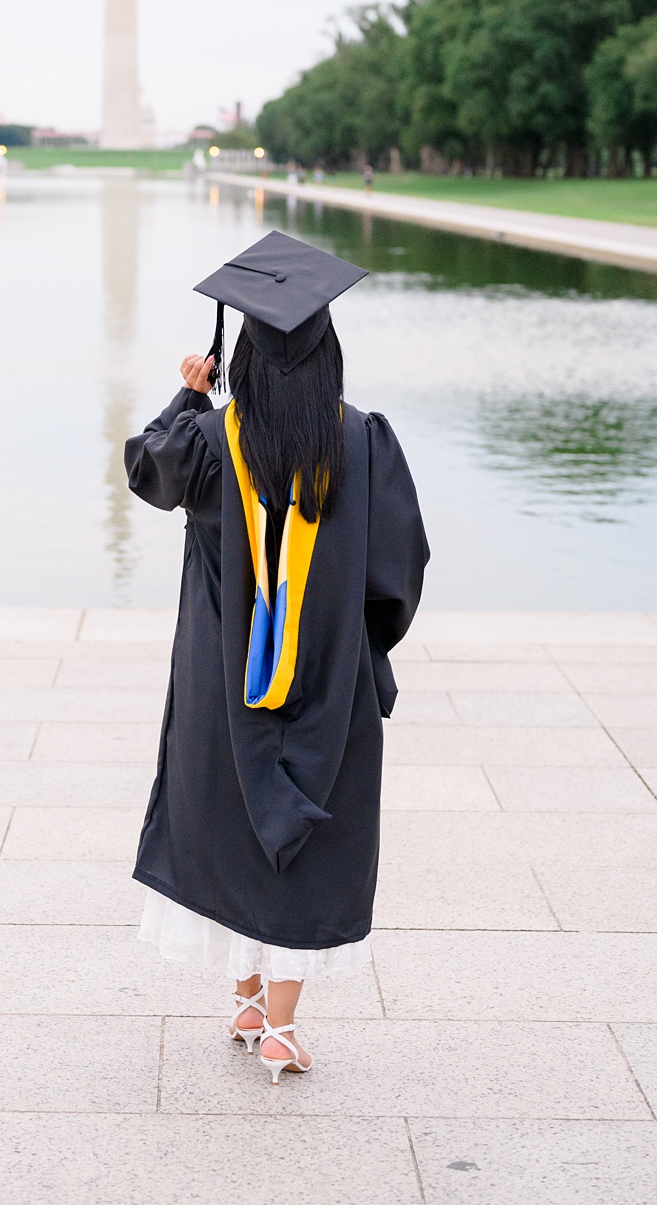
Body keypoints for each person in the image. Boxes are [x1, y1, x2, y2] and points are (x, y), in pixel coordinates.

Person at [123, 228, 430, 1083]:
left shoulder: (211, 440)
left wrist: (186, 398)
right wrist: (357, 651)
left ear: (241, 362)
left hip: (225, 683)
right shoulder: (363, 441)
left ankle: (249, 1000)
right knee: (308, 840)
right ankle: (282, 1028)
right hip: (329, 678)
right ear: (329, 355)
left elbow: (148, 475)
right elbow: (399, 572)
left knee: (229, 824)